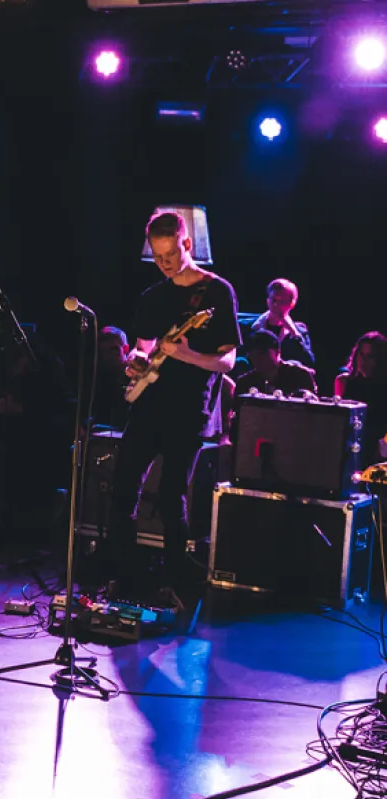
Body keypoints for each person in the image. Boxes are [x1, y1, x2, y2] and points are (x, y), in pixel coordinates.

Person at [108, 210, 240, 609]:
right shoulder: (153, 297)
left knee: (171, 497)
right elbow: (143, 348)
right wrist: (135, 360)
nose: (164, 264)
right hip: (150, 404)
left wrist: (187, 354)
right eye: (157, 256)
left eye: (170, 255)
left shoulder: (216, 293)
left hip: (190, 409)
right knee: (123, 487)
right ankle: (125, 577)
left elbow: (228, 361)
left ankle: (175, 583)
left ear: (187, 244)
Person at [334, 331, 387, 463]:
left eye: (370, 356)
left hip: (378, 454)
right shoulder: (344, 382)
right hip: (349, 450)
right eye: (361, 355)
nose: (363, 361)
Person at [250, 278, 315, 369]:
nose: (276, 305)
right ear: (267, 301)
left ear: (292, 304)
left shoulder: (299, 331)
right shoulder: (250, 325)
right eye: (274, 300)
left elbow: (309, 361)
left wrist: (293, 332)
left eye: (282, 301)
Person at [235, 330, 317, 396]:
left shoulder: (299, 375)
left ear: (278, 351)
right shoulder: (245, 383)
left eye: (262, 353)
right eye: (252, 354)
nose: (258, 358)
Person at [93, 326, 130, 428]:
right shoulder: (102, 380)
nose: (108, 355)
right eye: (104, 351)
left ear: (125, 349)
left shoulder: (136, 378)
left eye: (113, 349)